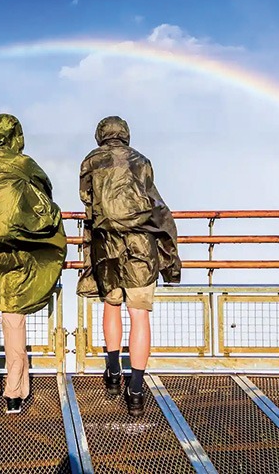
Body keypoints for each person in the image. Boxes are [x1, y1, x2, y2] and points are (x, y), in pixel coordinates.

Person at [0, 113, 67, 414]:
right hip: (17, 253)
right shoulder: (24, 165)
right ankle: (15, 394)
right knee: (14, 322)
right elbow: (45, 199)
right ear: (17, 134)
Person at [77, 116, 181, 417]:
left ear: (100, 135)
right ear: (125, 134)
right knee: (139, 316)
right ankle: (135, 389)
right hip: (140, 247)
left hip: (106, 244)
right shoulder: (142, 161)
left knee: (111, 307)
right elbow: (153, 202)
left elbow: (86, 197)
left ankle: (112, 373)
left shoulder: (91, 161)